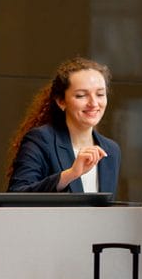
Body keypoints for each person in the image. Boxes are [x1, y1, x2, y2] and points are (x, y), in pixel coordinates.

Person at [6, 57, 120, 196]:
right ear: (61, 101)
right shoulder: (40, 140)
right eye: (81, 96)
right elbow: (16, 195)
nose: (94, 103)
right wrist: (71, 174)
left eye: (100, 94)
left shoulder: (111, 150)